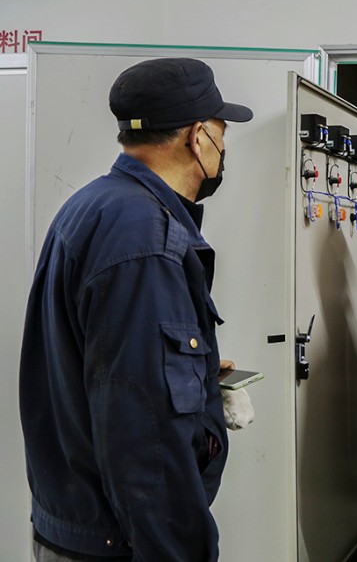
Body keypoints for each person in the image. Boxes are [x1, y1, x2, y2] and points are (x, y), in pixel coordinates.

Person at [19, 58, 253, 561]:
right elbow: (144, 436)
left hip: (76, 525)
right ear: (198, 137)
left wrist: (196, 374)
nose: (224, 144)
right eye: (222, 130)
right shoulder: (147, 240)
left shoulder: (95, 205)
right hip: (121, 542)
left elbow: (108, 369)